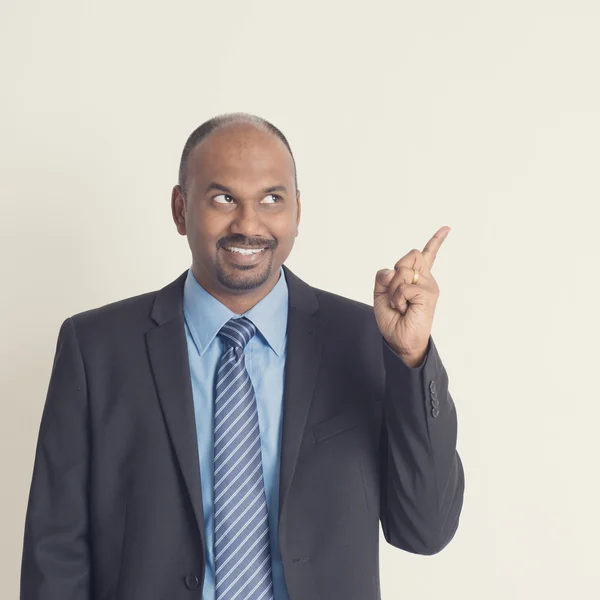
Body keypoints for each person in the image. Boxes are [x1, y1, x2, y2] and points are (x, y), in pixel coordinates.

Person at [20, 112, 465, 600]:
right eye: (223, 198)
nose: (248, 224)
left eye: (271, 199)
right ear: (179, 208)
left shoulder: (365, 338)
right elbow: (55, 551)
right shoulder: (96, 348)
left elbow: (425, 529)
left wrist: (410, 356)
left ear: (297, 211)